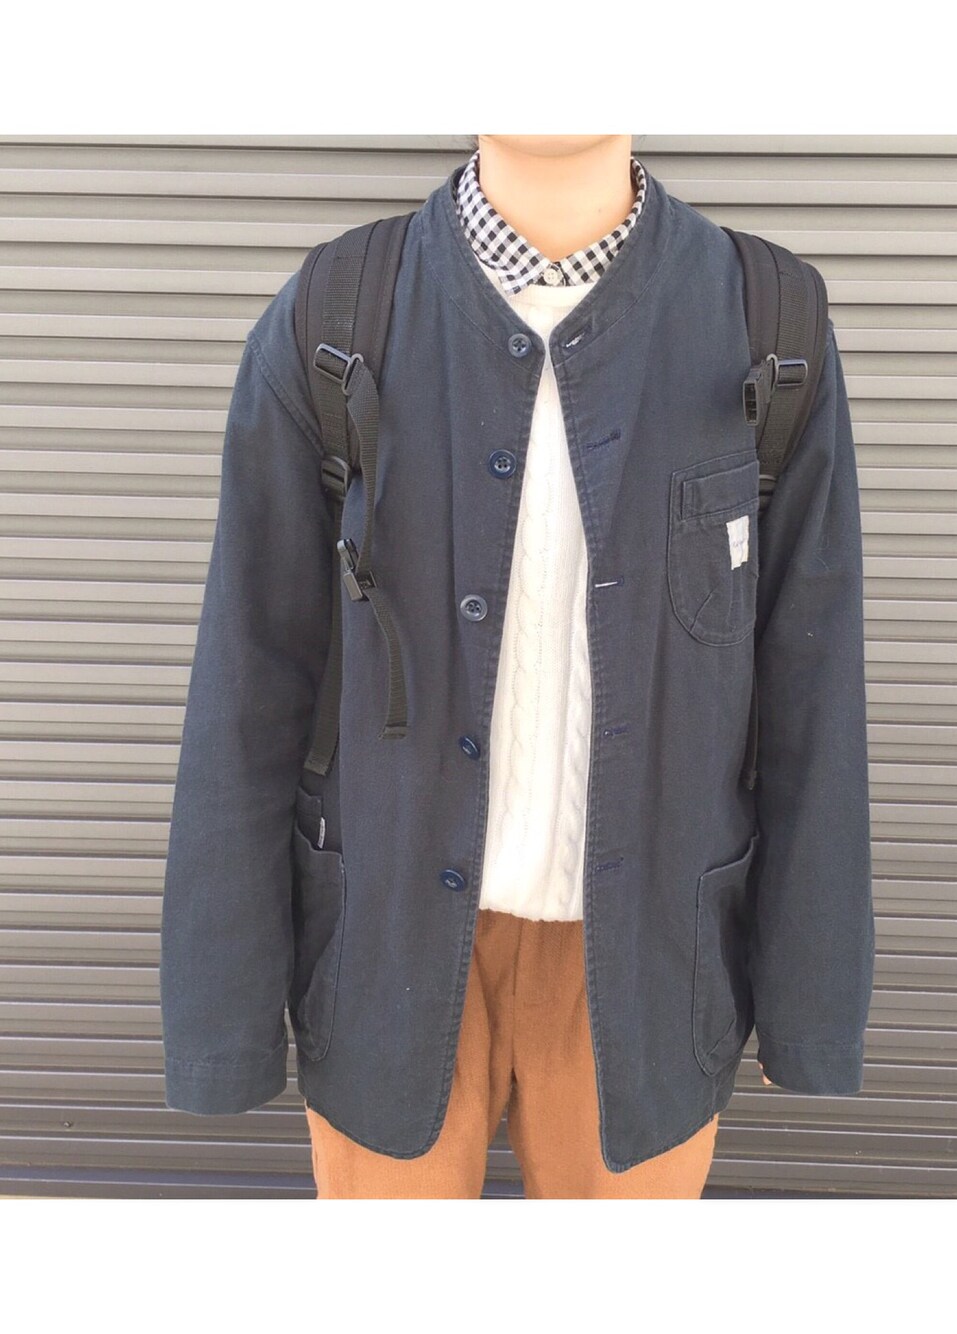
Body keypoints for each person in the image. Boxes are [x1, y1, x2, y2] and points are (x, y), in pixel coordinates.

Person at [160, 134, 875, 1199]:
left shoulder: (767, 323)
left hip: (646, 969)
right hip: (384, 950)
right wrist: (221, 1020)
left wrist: (812, 1003)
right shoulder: (339, 312)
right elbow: (248, 685)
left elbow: (813, 695)